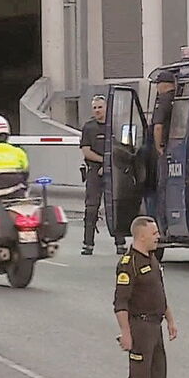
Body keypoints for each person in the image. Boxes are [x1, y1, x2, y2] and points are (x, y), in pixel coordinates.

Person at [114, 216, 178, 378]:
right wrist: (126, 333)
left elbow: (159, 293)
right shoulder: (129, 264)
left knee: (158, 372)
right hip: (140, 325)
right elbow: (120, 303)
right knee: (140, 375)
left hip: (155, 324)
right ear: (141, 236)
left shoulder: (152, 259)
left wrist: (170, 320)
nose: (158, 237)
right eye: (154, 233)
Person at [80, 94, 125, 256]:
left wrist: (109, 165)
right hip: (94, 172)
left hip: (114, 171)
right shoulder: (88, 127)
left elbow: (123, 148)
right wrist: (104, 162)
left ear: (107, 108)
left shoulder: (115, 126)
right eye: (95, 108)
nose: (97, 110)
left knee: (116, 207)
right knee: (91, 208)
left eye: (100, 107)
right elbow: (86, 151)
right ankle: (88, 244)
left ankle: (120, 243)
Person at [150, 71, 177, 231]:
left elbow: (158, 126)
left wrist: (159, 147)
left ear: (163, 85)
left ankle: (163, 228)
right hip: (179, 149)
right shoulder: (179, 98)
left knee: (163, 189)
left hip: (167, 151)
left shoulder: (163, 101)